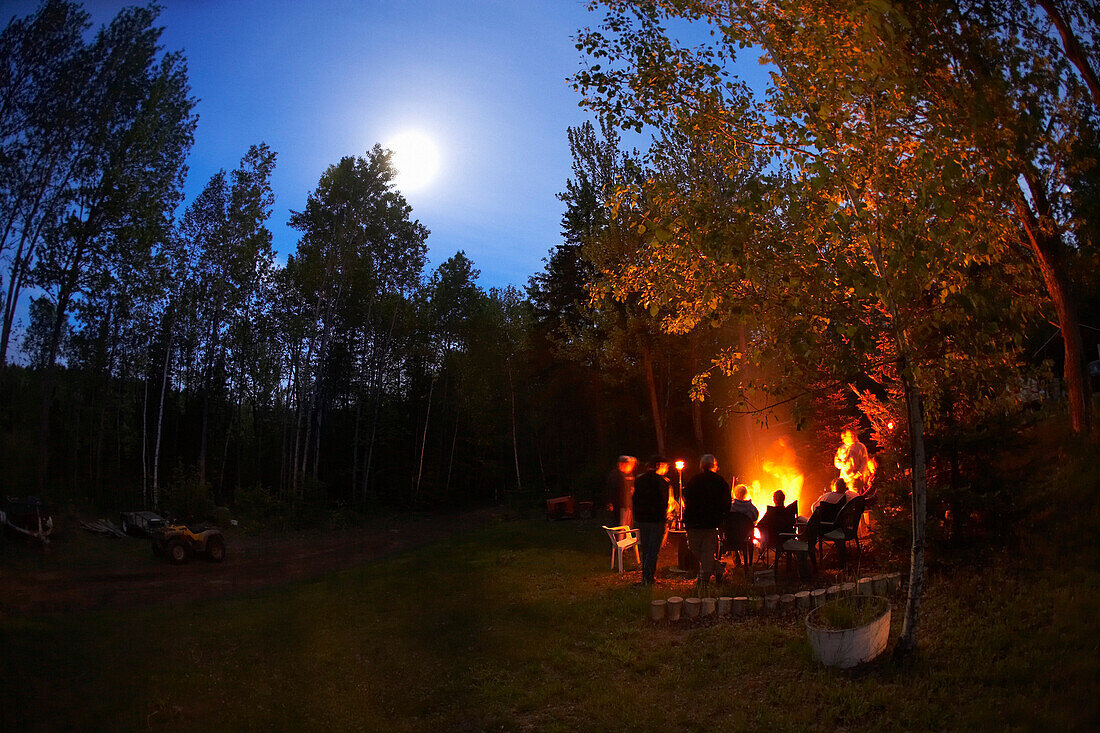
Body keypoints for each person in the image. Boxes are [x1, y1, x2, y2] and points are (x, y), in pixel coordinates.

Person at [682, 454, 731, 584]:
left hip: (696, 522)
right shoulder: (720, 482)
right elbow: (727, 504)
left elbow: (685, 497)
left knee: (697, 550)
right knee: (705, 553)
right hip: (709, 523)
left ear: (701, 466)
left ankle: (703, 581)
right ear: (714, 466)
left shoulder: (694, 480)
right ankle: (719, 569)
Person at [632, 455, 673, 585]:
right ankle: (649, 577)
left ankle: (645, 575)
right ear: (658, 466)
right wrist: (664, 516)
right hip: (656, 520)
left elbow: (635, 499)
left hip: (642, 519)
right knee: (653, 549)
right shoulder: (662, 482)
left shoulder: (639, 480)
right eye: (664, 466)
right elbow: (664, 501)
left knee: (645, 548)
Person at [604, 455, 637, 527]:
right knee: (620, 524)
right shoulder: (615, 475)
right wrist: (610, 502)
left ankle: (626, 537)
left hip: (628, 505)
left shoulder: (629, 475)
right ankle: (619, 537)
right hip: (619, 505)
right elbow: (610, 489)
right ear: (621, 464)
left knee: (628, 525)